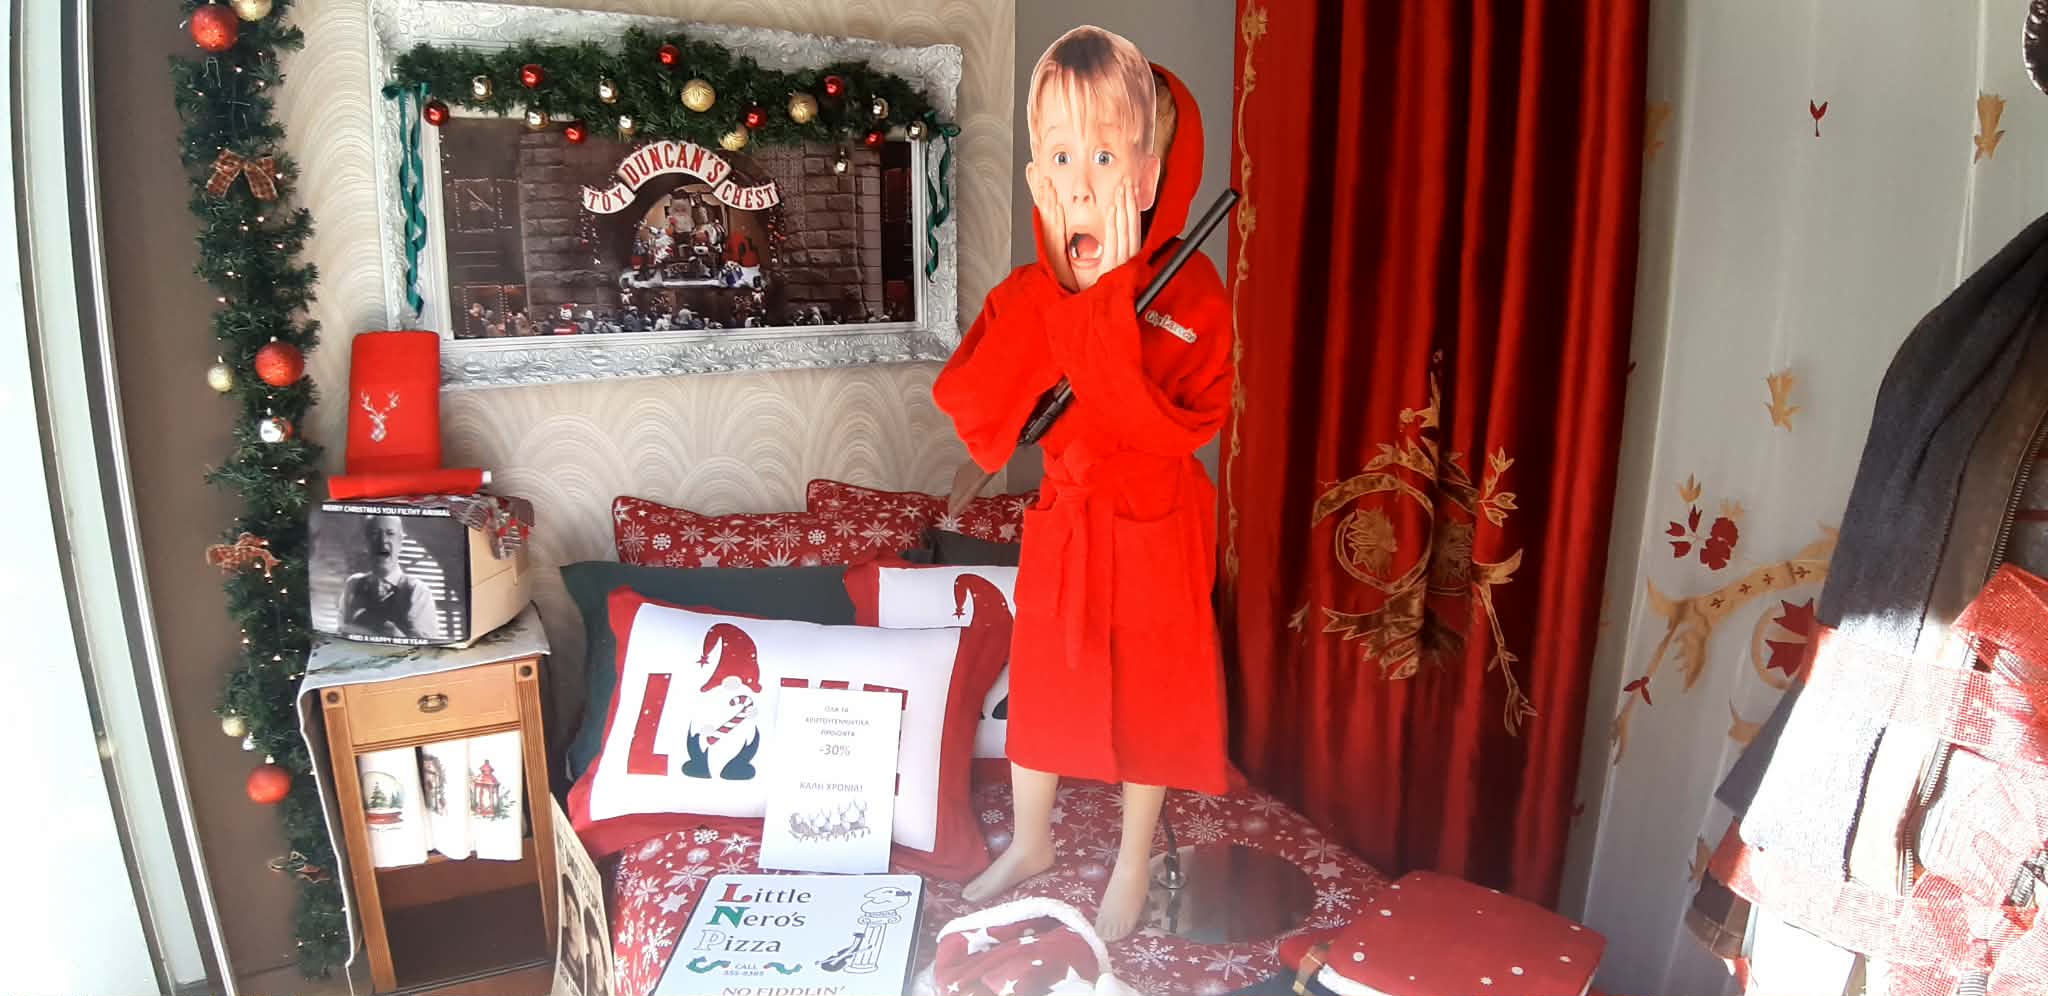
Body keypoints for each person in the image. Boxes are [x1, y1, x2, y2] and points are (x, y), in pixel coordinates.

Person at [931, 25, 1231, 942]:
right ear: (1038, 179)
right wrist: (1067, 312)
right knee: (1044, 687)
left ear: (1148, 176)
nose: (1084, 181)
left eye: (1106, 156)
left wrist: (1106, 316)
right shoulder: (1030, 293)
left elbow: (1180, 423)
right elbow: (978, 412)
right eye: (1062, 157)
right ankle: (1033, 842)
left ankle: (1133, 861)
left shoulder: (1189, 292)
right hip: (1066, 520)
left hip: (1157, 519)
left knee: (1153, 694)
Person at [338, 514, 438, 641]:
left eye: (390, 533)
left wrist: (396, 636)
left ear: (401, 542)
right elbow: (342, 633)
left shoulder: (418, 591)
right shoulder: (353, 584)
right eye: (375, 533)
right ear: (366, 542)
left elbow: (427, 647)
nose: (383, 540)